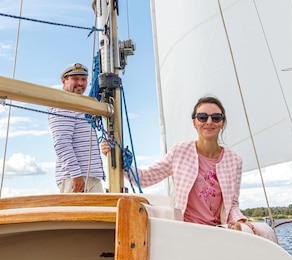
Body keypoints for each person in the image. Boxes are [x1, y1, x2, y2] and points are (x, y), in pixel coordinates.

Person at [104, 96, 276, 242]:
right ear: (195, 122)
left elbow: (232, 204)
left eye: (216, 117)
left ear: (222, 123)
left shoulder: (234, 160)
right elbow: (146, 178)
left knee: (266, 231)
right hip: (187, 229)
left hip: (219, 228)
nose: (209, 122)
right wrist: (118, 159)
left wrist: (239, 221)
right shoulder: (180, 151)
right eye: (202, 117)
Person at [48, 63, 105, 193]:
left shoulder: (81, 106)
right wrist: (76, 175)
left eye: (83, 79)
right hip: (76, 179)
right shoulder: (63, 104)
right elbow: (62, 143)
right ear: (64, 80)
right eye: (75, 79)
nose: (80, 83)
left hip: (91, 177)